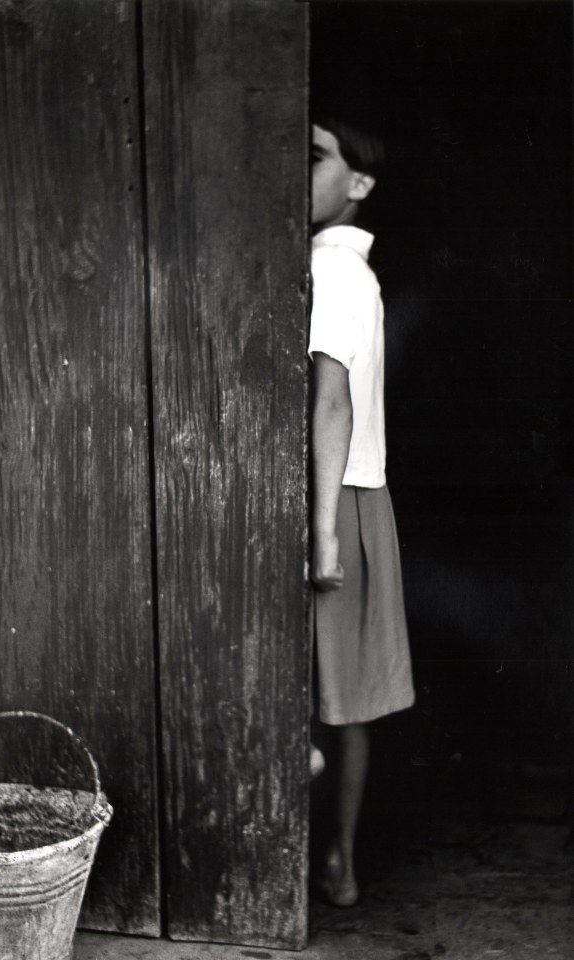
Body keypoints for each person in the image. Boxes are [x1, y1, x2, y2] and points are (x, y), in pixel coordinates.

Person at [308, 115, 415, 908]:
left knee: (335, 702)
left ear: (361, 183)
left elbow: (333, 402)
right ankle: (335, 862)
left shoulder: (336, 271)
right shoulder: (328, 266)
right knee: (339, 702)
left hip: (335, 497)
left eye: (315, 157)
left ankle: (337, 860)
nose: (297, 171)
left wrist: (324, 540)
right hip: (345, 493)